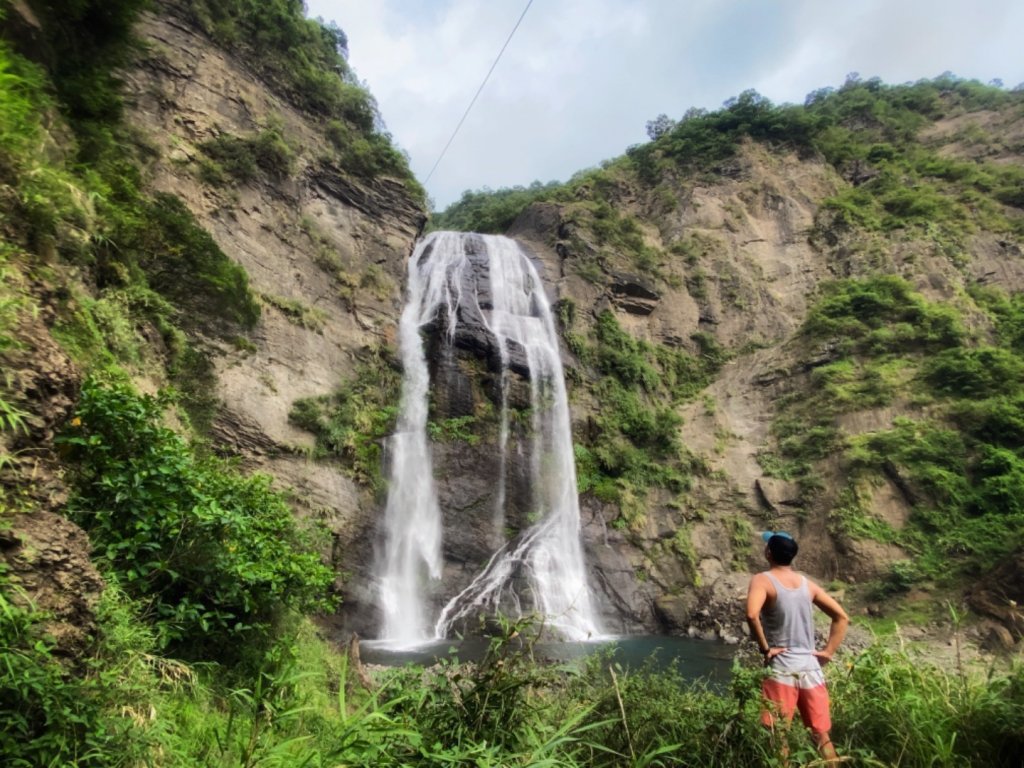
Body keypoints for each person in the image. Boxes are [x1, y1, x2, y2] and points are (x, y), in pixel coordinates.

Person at [745, 531, 849, 764]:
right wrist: (828, 652)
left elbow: (752, 614)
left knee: (778, 734)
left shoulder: (762, 580)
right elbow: (841, 617)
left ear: (768, 553)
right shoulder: (807, 584)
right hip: (811, 668)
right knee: (821, 735)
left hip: (782, 669)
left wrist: (765, 649)